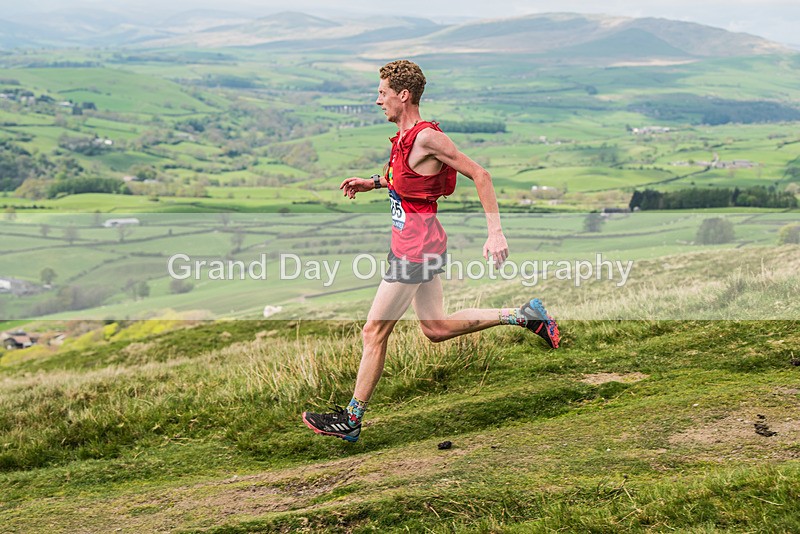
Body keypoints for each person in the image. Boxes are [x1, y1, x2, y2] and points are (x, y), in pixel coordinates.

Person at [302, 60, 559, 443]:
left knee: (373, 331)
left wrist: (496, 233)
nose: (378, 101)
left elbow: (481, 175)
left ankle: (352, 418)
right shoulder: (406, 139)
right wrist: (373, 182)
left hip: (415, 250)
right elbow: (408, 179)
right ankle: (525, 316)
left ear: (403, 96)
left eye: (382, 93)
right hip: (419, 243)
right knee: (435, 328)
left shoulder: (426, 138)